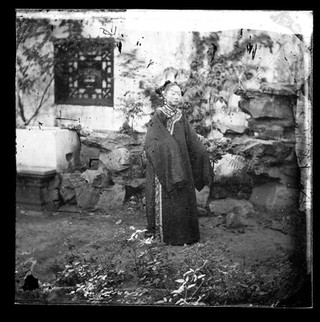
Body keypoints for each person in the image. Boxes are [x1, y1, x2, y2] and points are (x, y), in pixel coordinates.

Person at [144, 81, 214, 246]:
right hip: (163, 165)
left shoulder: (181, 116)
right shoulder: (159, 114)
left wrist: (202, 152)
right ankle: (161, 234)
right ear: (165, 95)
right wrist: (172, 152)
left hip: (181, 165)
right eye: (172, 93)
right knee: (166, 199)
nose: (176, 96)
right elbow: (153, 140)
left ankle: (183, 236)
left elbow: (191, 139)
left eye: (178, 93)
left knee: (182, 199)